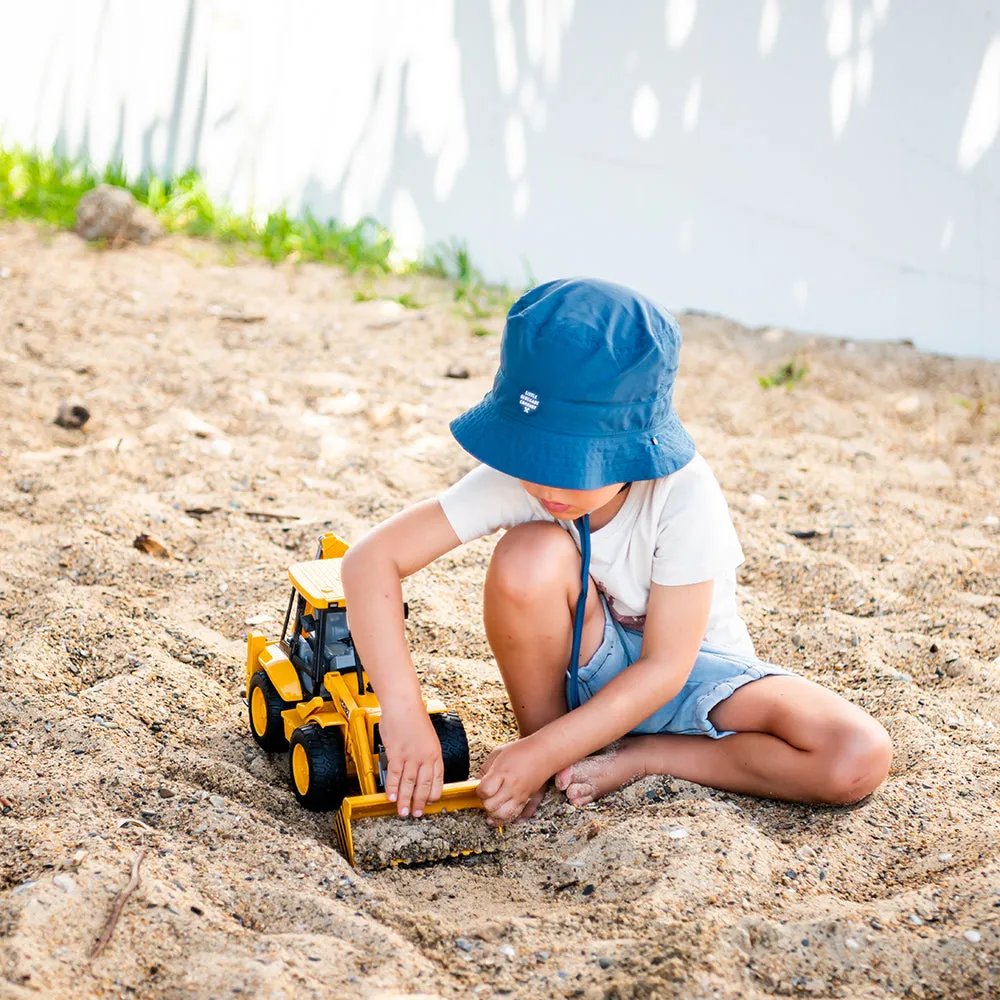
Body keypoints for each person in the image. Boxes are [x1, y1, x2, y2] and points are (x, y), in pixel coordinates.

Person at [340, 277, 892, 825]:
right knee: (527, 556)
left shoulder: (683, 491)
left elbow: (665, 668)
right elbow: (369, 561)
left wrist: (555, 754)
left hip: (690, 677)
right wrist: (403, 712)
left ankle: (637, 758)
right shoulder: (525, 476)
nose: (547, 485)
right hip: (583, 672)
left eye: (574, 464)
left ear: (631, 446)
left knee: (855, 755)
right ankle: (552, 745)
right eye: (535, 456)